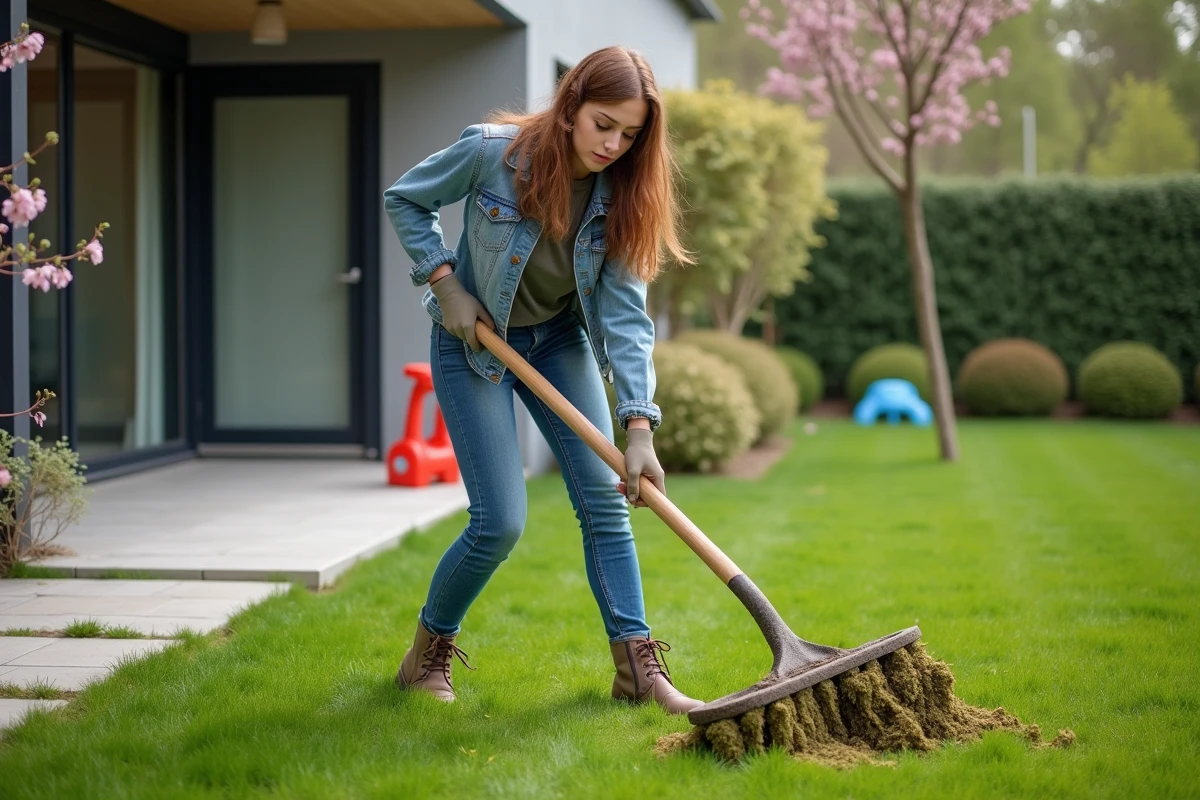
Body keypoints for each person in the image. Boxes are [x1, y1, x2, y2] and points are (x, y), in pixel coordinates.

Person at [382, 45, 702, 714]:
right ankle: (427, 654)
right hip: (473, 342)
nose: (614, 144)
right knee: (499, 522)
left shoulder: (624, 194)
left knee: (605, 502)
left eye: (630, 133)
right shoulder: (492, 153)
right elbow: (406, 199)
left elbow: (625, 318)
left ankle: (636, 669)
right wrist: (444, 283)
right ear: (571, 107)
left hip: (556, 343)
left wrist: (638, 425)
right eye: (603, 124)